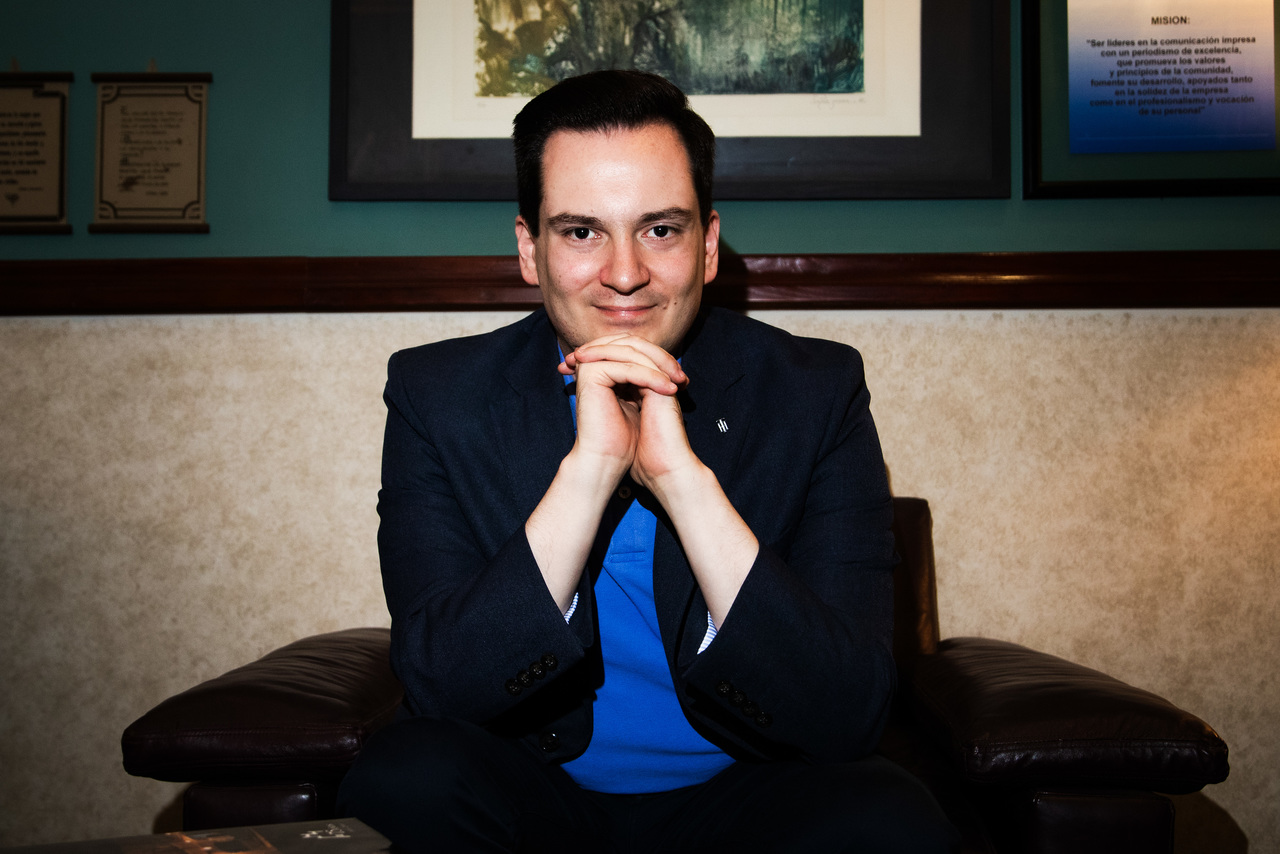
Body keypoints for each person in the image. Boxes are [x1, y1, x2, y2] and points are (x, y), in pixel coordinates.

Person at [337, 70, 957, 853]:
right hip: (537, 796)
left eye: (660, 230)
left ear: (708, 246)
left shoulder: (815, 393)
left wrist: (684, 485)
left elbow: (846, 711)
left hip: (744, 796)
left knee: (888, 817)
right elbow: (442, 685)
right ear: (529, 249)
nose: (625, 272)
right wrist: (590, 471)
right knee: (403, 778)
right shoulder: (438, 396)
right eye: (581, 232)